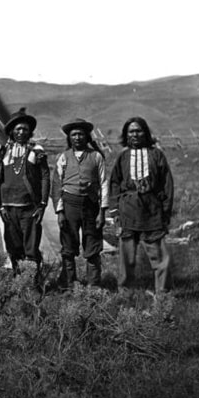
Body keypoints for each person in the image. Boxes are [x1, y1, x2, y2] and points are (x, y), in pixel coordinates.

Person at [109, 116, 174, 295]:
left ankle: (162, 295)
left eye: (138, 131)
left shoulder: (156, 154)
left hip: (151, 210)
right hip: (128, 210)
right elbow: (114, 182)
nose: (135, 134)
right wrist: (115, 210)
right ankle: (124, 293)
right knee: (126, 258)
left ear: (145, 132)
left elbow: (167, 183)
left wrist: (165, 211)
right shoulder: (123, 156)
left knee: (160, 257)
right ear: (126, 135)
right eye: (131, 131)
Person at [51, 118, 109, 288]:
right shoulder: (63, 157)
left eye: (81, 134)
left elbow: (104, 182)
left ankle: (93, 285)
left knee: (92, 246)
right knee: (68, 246)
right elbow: (57, 185)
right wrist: (60, 212)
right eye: (74, 134)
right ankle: (69, 284)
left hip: (91, 205)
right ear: (69, 137)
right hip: (69, 205)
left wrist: (102, 211)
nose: (77, 138)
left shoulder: (96, 156)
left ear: (87, 136)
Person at [0, 107, 50, 276]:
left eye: (25, 129)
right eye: (18, 129)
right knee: (14, 249)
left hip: (29, 209)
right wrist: (0, 207)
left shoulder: (36, 152)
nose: (21, 132)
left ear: (30, 132)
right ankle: (19, 284)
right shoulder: (3, 153)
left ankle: (32, 284)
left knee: (31, 249)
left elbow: (45, 177)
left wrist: (42, 205)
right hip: (9, 208)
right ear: (11, 132)